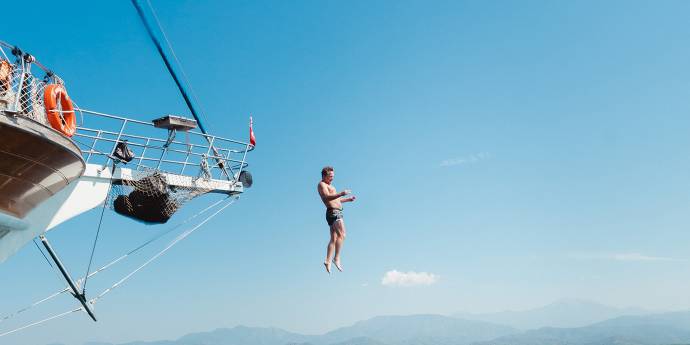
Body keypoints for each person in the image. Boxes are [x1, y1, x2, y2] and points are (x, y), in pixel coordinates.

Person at [318, 166, 356, 274]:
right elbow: (326, 197)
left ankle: (327, 260)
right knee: (343, 235)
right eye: (330, 176)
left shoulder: (330, 185)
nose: (332, 178)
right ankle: (336, 258)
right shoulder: (322, 185)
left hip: (334, 211)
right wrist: (341, 193)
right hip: (334, 212)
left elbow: (337, 200)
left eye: (333, 176)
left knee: (333, 238)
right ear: (324, 176)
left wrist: (348, 199)